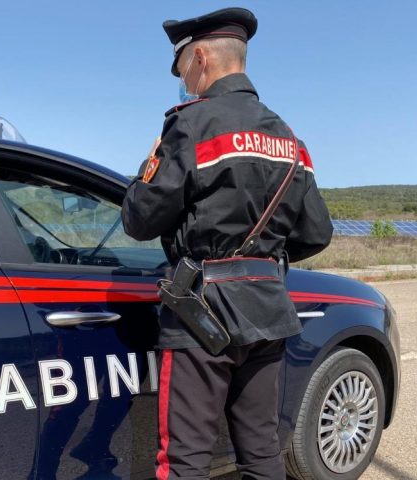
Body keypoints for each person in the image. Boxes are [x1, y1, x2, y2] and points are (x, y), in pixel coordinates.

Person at [121, 7, 333, 479]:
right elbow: (317, 233)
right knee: (260, 452)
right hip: (268, 310)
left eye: (181, 71)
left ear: (200, 58)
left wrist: (145, 170)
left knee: (184, 459)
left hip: (202, 314)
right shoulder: (289, 137)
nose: (183, 81)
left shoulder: (190, 126)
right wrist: (257, 259)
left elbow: (140, 218)